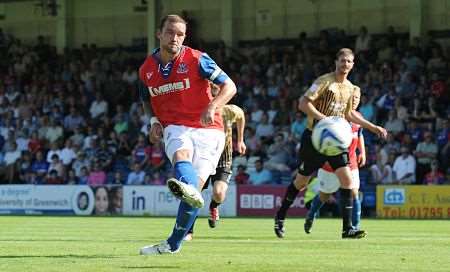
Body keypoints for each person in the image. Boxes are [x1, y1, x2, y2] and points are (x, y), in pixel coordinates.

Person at [138, 14, 236, 255]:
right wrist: (153, 121)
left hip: (210, 129)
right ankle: (173, 243)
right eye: (170, 32)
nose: (175, 38)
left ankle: (173, 244)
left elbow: (230, 86)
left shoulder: (197, 59)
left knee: (193, 193)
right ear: (159, 34)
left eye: (180, 34)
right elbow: (146, 99)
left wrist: (213, 106)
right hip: (175, 126)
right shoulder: (146, 69)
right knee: (181, 157)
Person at [274, 48, 387, 239]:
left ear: (353, 64)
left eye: (349, 61)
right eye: (342, 60)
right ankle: (280, 216)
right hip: (315, 139)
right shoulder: (324, 81)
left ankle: (347, 229)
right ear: (336, 62)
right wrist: (325, 120)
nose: (345, 64)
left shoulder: (351, 88)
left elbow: (350, 114)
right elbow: (303, 103)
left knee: (348, 182)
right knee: (301, 182)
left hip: (335, 142)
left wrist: (372, 127)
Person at [185, 102, 246, 240]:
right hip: (204, 156)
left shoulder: (229, 111)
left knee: (219, 193)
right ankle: (189, 231)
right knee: (194, 193)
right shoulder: (198, 110)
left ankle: (213, 206)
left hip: (223, 157)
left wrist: (240, 140)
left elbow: (241, 116)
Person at [304, 112, 366, 234]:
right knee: (324, 195)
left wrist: (362, 152)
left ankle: (355, 227)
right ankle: (311, 215)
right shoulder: (334, 117)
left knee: (354, 193)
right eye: (352, 97)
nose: (354, 99)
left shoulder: (358, 117)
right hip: (330, 164)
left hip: (351, 162)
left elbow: (359, 134)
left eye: (357, 97)